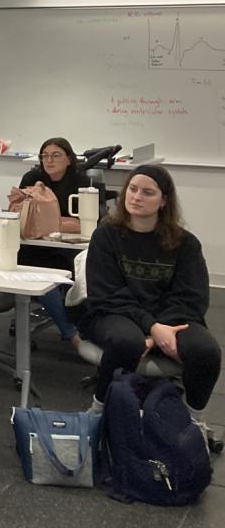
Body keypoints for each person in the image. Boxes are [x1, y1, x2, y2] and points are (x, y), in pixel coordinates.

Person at [82, 165, 219, 426]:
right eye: (132, 190)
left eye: (147, 192)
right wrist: (152, 328)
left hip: (171, 318)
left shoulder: (185, 244)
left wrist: (156, 334)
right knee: (126, 342)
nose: (136, 197)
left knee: (206, 351)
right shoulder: (106, 235)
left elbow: (191, 297)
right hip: (116, 313)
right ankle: (97, 411)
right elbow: (107, 294)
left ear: (164, 200)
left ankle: (193, 422)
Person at [13, 137, 91, 349]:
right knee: (40, 274)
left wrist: (46, 220)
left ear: (69, 159)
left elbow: (82, 224)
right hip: (33, 247)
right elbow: (22, 217)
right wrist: (59, 222)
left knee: (86, 272)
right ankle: (71, 334)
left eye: (56, 155)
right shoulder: (32, 177)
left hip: (67, 250)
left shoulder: (80, 181)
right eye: (44, 156)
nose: (49, 160)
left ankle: (86, 328)